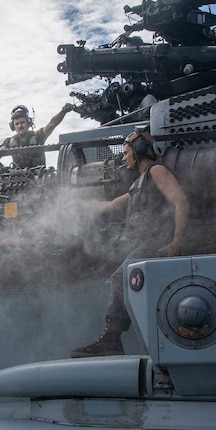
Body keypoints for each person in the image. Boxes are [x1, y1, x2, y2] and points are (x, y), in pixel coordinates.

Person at [70, 128, 190, 358]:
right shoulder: (139, 184)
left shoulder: (157, 171)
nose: (123, 158)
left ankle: (111, 340)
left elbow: (181, 201)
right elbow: (112, 205)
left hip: (157, 242)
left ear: (141, 150)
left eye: (126, 153)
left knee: (119, 277)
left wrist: (176, 243)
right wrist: (79, 204)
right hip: (144, 244)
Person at [0, 103, 74, 168]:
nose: (20, 126)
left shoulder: (38, 135)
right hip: (19, 180)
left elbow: (52, 124)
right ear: (13, 126)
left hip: (40, 179)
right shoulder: (9, 141)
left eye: (22, 122)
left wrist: (63, 111)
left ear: (28, 123)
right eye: (17, 124)